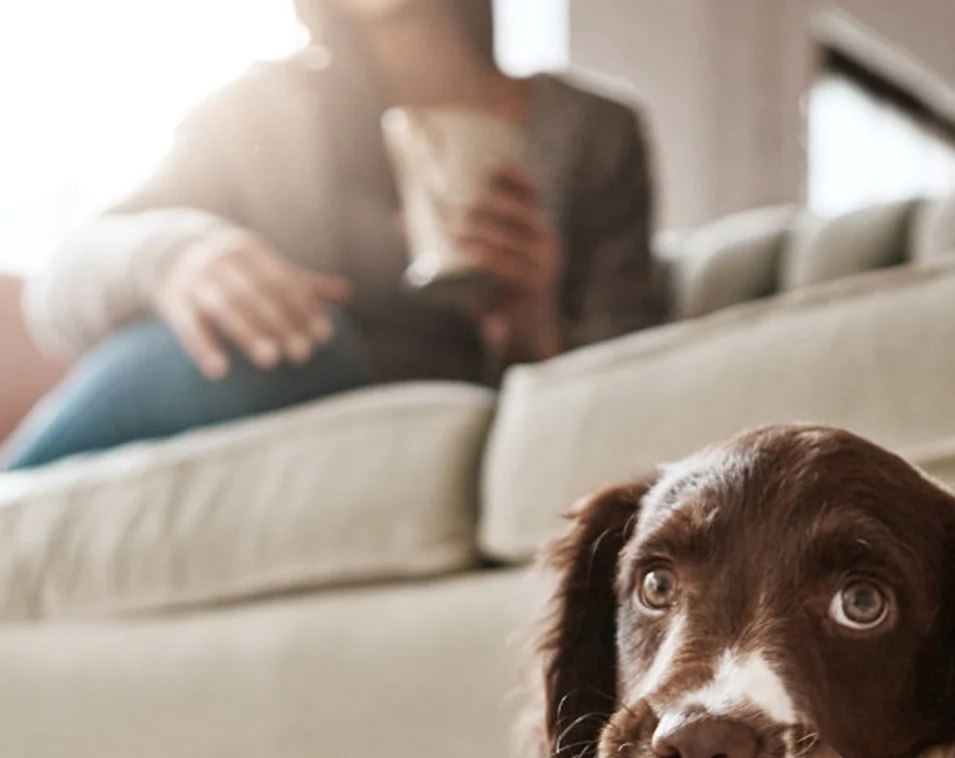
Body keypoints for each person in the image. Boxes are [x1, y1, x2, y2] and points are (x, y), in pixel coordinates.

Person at [3, 0, 665, 470]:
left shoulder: (592, 131)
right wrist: (176, 256)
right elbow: (60, 289)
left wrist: (531, 328)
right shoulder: (256, 111)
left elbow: (632, 402)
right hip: (251, 392)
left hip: (451, 412)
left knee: (313, 346)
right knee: (296, 342)